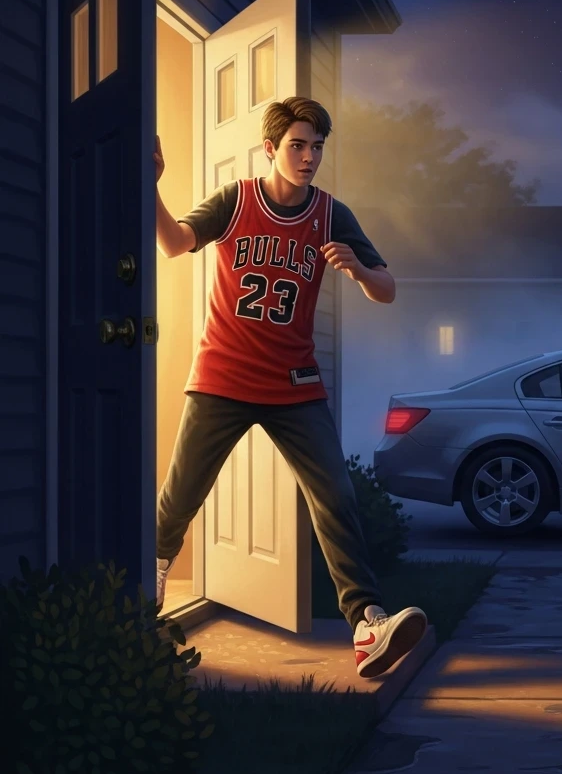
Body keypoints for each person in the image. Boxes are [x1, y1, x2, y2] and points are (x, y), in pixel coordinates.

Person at [153, 96, 425, 679]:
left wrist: (356, 268)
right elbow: (175, 244)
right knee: (179, 498)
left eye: (318, 147)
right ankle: (142, 597)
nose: (309, 157)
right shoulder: (237, 199)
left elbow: (388, 288)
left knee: (337, 498)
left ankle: (367, 623)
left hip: (295, 383)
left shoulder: (331, 214)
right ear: (270, 149)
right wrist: (148, 187)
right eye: (298, 145)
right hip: (223, 376)